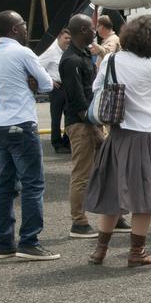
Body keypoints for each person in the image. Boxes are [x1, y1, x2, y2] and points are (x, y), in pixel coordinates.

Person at [84, 14, 151, 267]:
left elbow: (95, 88)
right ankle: (137, 252)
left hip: (119, 134)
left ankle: (100, 250)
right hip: (148, 136)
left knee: (112, 194)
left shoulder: (110, 59)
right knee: (144, 198)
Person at [0, 10, 58, 261]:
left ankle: (3, 242)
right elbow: (47, 84)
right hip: (22, 122)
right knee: (33, 184)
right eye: (23, 25)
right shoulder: (23, 52)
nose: (27, 28)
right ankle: (29, 241)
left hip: (0, 124)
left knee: (6, 185)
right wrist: (34, 82)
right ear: (14, 29)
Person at [60, 14, 107, 239]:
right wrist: (94, 128)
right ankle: (78, 222)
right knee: (82, 173)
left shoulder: (84, 54)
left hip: (92, 121)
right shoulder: (71, 61)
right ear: (80, 30)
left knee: (105, 170)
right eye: (90, 29)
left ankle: (112, 215)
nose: (94, 32)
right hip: (81, 124)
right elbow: (78, 100)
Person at [38, 29, 72, 153]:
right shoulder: (51, 51)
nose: (68, 41)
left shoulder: (69, 51)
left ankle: (67, 142)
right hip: (57, 88)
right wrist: (49, 81)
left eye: (69, 38)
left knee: (70, 116)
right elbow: (38, 66)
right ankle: (57, 144)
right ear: (59, 38)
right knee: (56, 117)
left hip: (68, 87)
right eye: (66, 38)